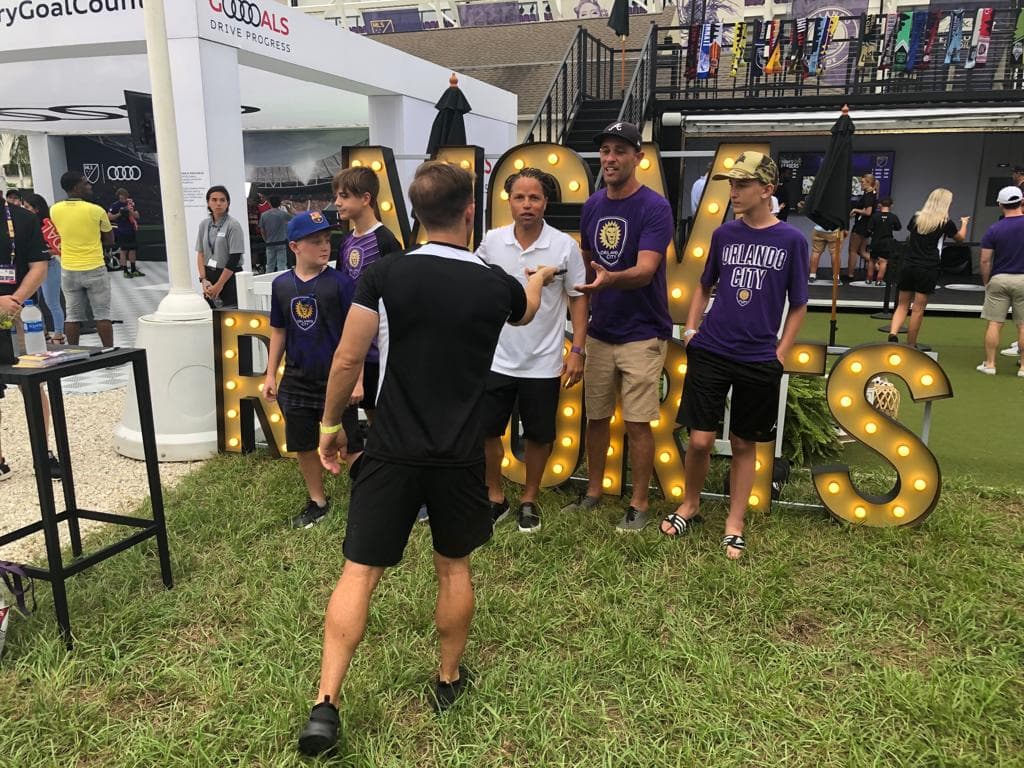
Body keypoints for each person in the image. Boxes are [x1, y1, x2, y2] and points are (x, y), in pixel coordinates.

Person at [297, 162, 555, 756]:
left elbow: (346, 360)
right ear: (471, 213)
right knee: (454, 569)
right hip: (460, 454)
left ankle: (326, 704)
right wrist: (536, 278)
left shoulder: (385, 274)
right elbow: (526, 310)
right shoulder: (496, 284)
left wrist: (331, 425)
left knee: (359, 573)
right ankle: (447, 679)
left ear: (415, 214)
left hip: (391, 447)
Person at [661, 151, 808, 559]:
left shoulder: (791, 240)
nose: (734, 192)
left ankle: (734, 522)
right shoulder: (725, 234)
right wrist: (692, 329)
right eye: (731, 184)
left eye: (742, 185)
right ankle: (690, 504)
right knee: (700, 440)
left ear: (767, 189)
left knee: (744, 443)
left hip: (759, 357)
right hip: (712, 348)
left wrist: (780, 352)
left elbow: (798, 304)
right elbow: (704, 285)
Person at [565, 121, 674, 533]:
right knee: (595, 417)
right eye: (605, 150)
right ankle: (594, 491)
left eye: (619, 151)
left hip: (642, 332)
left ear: (638, 158)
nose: (609, 158)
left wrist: (609, 279)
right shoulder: (592, 205)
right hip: (601, 330)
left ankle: (640, 502)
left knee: (637, 422)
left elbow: (646, 271)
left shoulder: (654, 207)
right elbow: (588, 262)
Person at [477, 167, 587, 533]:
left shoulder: (564, 246)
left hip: (543, 362)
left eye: (534, 197)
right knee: (487, 430)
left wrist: (578, 350)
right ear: (508, 201)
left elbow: (578, 299)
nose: (527, 204)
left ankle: (529, 499)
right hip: (496, 358)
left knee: (540, 435)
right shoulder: (491, 242)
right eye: (520, 197)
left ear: (546, 202)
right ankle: (495, 495)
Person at [263, 211, 354, 527]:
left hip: (336, 379)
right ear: (294, 246)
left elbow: (353, 336)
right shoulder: (282, 285)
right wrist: (271, 373)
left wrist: (354, 381)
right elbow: (279, 331)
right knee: (303, 443)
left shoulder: (341, 284)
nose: (324, 247)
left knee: (349, 441)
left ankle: (368, 497)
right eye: (315, 241)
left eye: (327, 240)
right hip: (297, 379)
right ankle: (317, 500)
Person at [332, 166, 403, 455]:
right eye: (336, 196)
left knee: (384, 409)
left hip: (380, 345)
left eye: (343, 196)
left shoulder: (385, 240)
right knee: (366, 406)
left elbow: (398, 291)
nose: (337, 202)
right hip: (354, 341)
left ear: (365, 198)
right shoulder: (346, 240)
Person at [0, 187, 62, 481]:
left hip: (21, 313)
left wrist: (15, 300)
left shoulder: (23, 218)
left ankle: (43, 451)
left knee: (32, 382)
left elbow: (39, 267)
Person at [887, 188, 968, 347]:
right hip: (928, 266)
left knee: (902, 304)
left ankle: (893, 333)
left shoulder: (916, 218)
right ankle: (911, 344)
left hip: (909, 263)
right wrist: (964, 223)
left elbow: (911, 235)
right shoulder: (945, 223)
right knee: (917, 309)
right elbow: (960, 238)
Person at [49, 171, 114, 347]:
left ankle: (74, 353)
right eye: (86, 183)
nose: (89, 186)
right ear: (77, 187)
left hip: (69, 268)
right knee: (102, 314)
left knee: (72, 315)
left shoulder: (54, 209)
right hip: (94, 267)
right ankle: (109, 354)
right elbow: (110, 240)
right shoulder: (96, 210)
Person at [976, 186, 1024, 376]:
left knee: (994, 323)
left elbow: (985, 260)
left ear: (1000, 205)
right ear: (1021, 202)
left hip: (999, 279)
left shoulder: (994, 229)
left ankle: (990, 364)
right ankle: (1023, 367)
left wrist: (987, 282)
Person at [22, 194, 64, 344]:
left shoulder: (47, 224)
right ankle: (44, 332)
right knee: (32, 302)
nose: (24, 210)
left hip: (49, 266)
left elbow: (58, 247)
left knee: (51, 302)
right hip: (31, 267)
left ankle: (59, 333)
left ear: (37, 208)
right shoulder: (27, 225)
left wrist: (44, 252)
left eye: (27, 207)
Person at [195, 185, 245, 309]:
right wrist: (203, 280)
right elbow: (200, 253)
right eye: (214, 200)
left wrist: (219, 284)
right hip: (209, 277)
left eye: (222, 200)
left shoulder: (233, 225)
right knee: (213, 318)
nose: (218, 203)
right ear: (208, 202)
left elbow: (234, 258)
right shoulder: (204, 224)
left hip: (228, 277)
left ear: (228, 203)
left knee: (231, 318)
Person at [846, 173, 878, 282]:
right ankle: (881, 268)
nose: (861, 184)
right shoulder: (872, 194)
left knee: (852, 250)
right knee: (862, 251)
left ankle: (850, 274)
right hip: (866, 226)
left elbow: (868, 212)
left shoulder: (869, 196)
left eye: (863, 182)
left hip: (861, 226)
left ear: (869, 183)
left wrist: (855, 210)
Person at [107, 188, 144, 278]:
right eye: (121, 196)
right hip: (122, 230)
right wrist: (119, 214)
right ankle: (125, 270)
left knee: (132, 250)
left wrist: (130, 210)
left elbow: (137, 216)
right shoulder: (115, 205)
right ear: (119, 196)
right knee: (123, 250)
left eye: (125, 195)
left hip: (132, 229)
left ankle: (134, 269)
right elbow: (109, 217)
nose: (123, 197)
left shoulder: (131, 204)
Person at [866, 197, 901, 286]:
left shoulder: (875, 216)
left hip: (875, 240)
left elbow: (869, 228)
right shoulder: (893, 217)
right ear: (891, 205)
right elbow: (898, 227)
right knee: (883, 261)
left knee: (872, 260)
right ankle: (879, 280)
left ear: (880, 205)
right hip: (887, 242)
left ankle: (869, 279)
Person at [259, 195, 292, 273]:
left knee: (270, 265)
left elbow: (262, 230)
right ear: (280, 204)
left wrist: (265, 240)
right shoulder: (283, 214)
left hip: (269, 243)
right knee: (281, 265)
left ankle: (268, 282)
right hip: (281, 243)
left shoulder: (264, 215)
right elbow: (294, 218)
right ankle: (281, 283)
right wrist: (288, 208)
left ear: (270, 204)